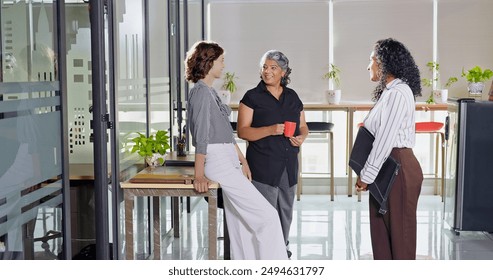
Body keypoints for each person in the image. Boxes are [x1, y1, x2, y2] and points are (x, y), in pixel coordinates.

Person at [184, 41, 288, 260]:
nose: (223, 65)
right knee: (267, 216)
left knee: (240, 223)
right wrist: (199, 175)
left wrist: (243, 160)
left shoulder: (209, 91)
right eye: (221, 61)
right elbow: (202, 137)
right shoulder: (201, 93)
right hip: (218, 160)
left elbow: (224, 132)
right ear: (209, 62)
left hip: (227, 158)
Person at [355, 38, 424, 260]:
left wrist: (366, 175)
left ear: (384, 62)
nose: (369, 66)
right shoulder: (390, 92)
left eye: (371, 60)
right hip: (387, 168)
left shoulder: (398, 93)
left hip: (398, 168)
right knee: (381, 235)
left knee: (400, 239)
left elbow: (384, 140)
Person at [237, 50, 309, 258]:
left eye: (273, 68)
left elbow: (303, 126)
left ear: (284, 72)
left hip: (288, 164)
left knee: (285, 212)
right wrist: (270, 129)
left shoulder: (292, 97)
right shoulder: (251, 97)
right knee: (265, 214)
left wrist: (302, 137)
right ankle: (264, 253)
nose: (267, 71)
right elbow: (243, 131)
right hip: (263, 166)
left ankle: (280, 250)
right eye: (264, 67)